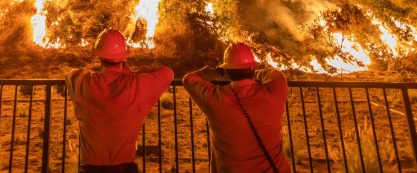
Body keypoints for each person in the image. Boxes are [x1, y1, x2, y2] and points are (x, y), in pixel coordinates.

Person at [65, 28, 174, 173]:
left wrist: (92, 73)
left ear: (99, 57)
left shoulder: (85, 83)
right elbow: (168, 73)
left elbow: (71, 74)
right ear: (124, 57)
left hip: (89, 169)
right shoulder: (137, 85)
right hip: (124, 169)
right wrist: (137, 72)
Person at [183, 42, 291, 173]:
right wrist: (254, 72)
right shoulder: (274, 93)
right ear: (252, 69)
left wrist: (217, 71)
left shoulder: (215, 99)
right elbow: (276, 75)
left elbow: (189, 79)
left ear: (227, 71)